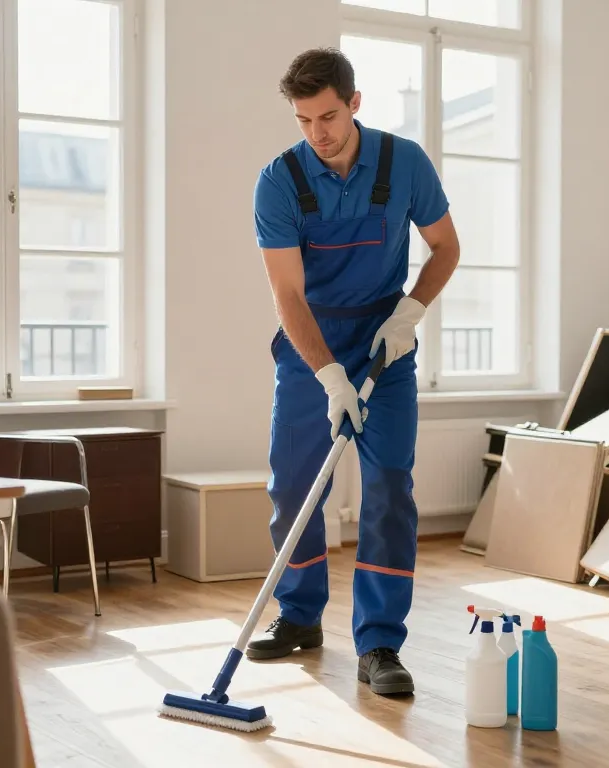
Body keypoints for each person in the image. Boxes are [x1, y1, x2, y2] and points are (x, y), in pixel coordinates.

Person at [249, 47, 460, 696]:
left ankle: (380, 645)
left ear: (356, 103)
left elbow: (446, 246)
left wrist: (410, 313)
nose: (320, 133)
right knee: (293, 489)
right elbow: (288, 295)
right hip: (312, 344)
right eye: (305, 120)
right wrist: (330, 377)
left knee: (389, 491)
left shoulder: (405, 166)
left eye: (330, 116)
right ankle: (301, 617)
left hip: (385, 348)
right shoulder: (279, 182)